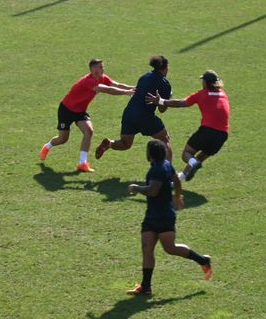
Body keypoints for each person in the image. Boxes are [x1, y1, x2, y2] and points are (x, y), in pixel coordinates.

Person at [125, 138, 213, 295]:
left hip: (163, 216)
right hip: (153, 215)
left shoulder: (157, 169)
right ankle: (146, 287)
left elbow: (153, 191)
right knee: (147, 248)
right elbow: (177, 180)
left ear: (150, 154)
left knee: (170, 248)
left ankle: (202, 260)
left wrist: (136, 187)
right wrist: (177, 196)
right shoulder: (166, 164)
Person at [39, 59, 134, 172]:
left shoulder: (102, 77)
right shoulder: (88, 81)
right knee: (62, 139)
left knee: (89, 131)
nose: (103, 69)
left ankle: (82, 163)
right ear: (93, 69)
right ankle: (47, 146)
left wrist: (134, 88)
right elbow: (107, 90)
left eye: (103, 66)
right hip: (66, 110)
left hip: (80, 111)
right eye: (101, 67)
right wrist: (126, 92)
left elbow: (116, 84)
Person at [146, 70, 230, 182]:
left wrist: (161, 101)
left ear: (205, 83)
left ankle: (192, 165)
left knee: (187, 154)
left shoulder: (202, 94)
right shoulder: (223, 94)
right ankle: (181, 177)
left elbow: (180, 103)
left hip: (207, 131)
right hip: (223, 134)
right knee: (199, 158)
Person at [95, 55, 173, 161]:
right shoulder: (164, 83)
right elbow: (162, 109)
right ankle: (168, 169)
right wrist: (168, 98)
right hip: (144, 116)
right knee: (165, 139)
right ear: (165, 68)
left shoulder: (144, 77)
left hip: (129, 113)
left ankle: (109, 143)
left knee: (125, 143)